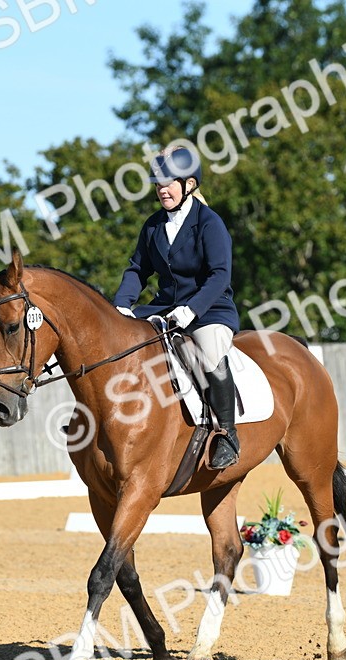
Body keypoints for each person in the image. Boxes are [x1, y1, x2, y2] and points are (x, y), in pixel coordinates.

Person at [113, 145, 241, 469]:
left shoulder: (209, 223)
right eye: (158, 184)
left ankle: (227, 434)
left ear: (190, 185)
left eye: (169, 183)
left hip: (209, 309)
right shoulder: (153, 225)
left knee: (210, 353)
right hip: (164, 309)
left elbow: (219, 275)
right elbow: (137, 269)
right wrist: (121, 306)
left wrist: (192, 309)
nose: (162, 190)